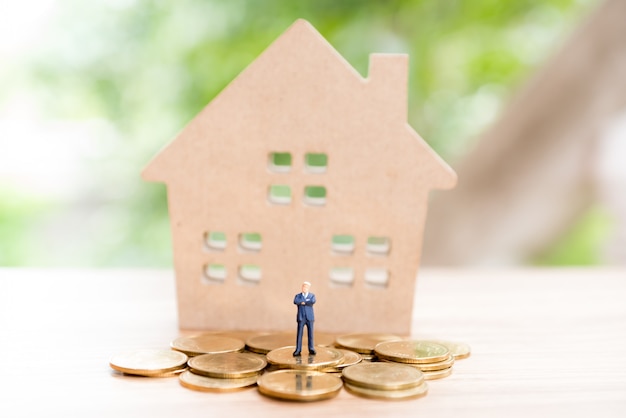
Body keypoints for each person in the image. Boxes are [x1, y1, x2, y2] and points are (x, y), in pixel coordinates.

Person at [293, 281, 316, 356]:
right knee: (299, 334)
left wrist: (303, 302)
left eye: (306, 287)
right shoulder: (298, 295)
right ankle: (298, 349)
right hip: (301, 317)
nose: (304, 288)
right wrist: (305, 302)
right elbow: (296, 301)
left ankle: (311, 348)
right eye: (303, 286)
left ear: (308, 288)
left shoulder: (312, 295)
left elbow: (312, 301)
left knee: (311, 334)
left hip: (309, 317)